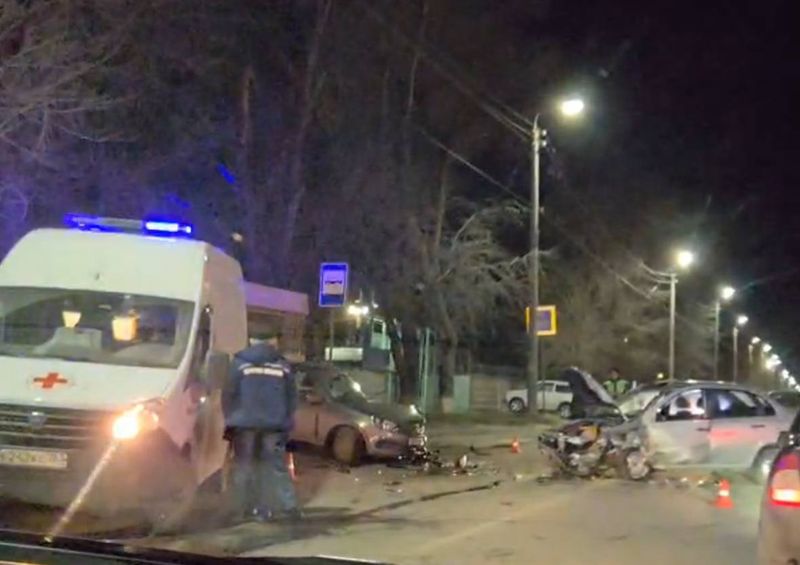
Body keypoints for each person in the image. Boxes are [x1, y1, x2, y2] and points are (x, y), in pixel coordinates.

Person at [223, 331, 299, 522]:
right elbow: (292, 397)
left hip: (244, 424)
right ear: (272, 341)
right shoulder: (282, 365)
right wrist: (286, 420)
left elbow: (229, 393)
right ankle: (285, 508)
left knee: (244, 466)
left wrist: (231, 418)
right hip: (274, 424)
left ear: (251, 341)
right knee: (274, 466)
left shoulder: (240, 363)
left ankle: (239, 510)